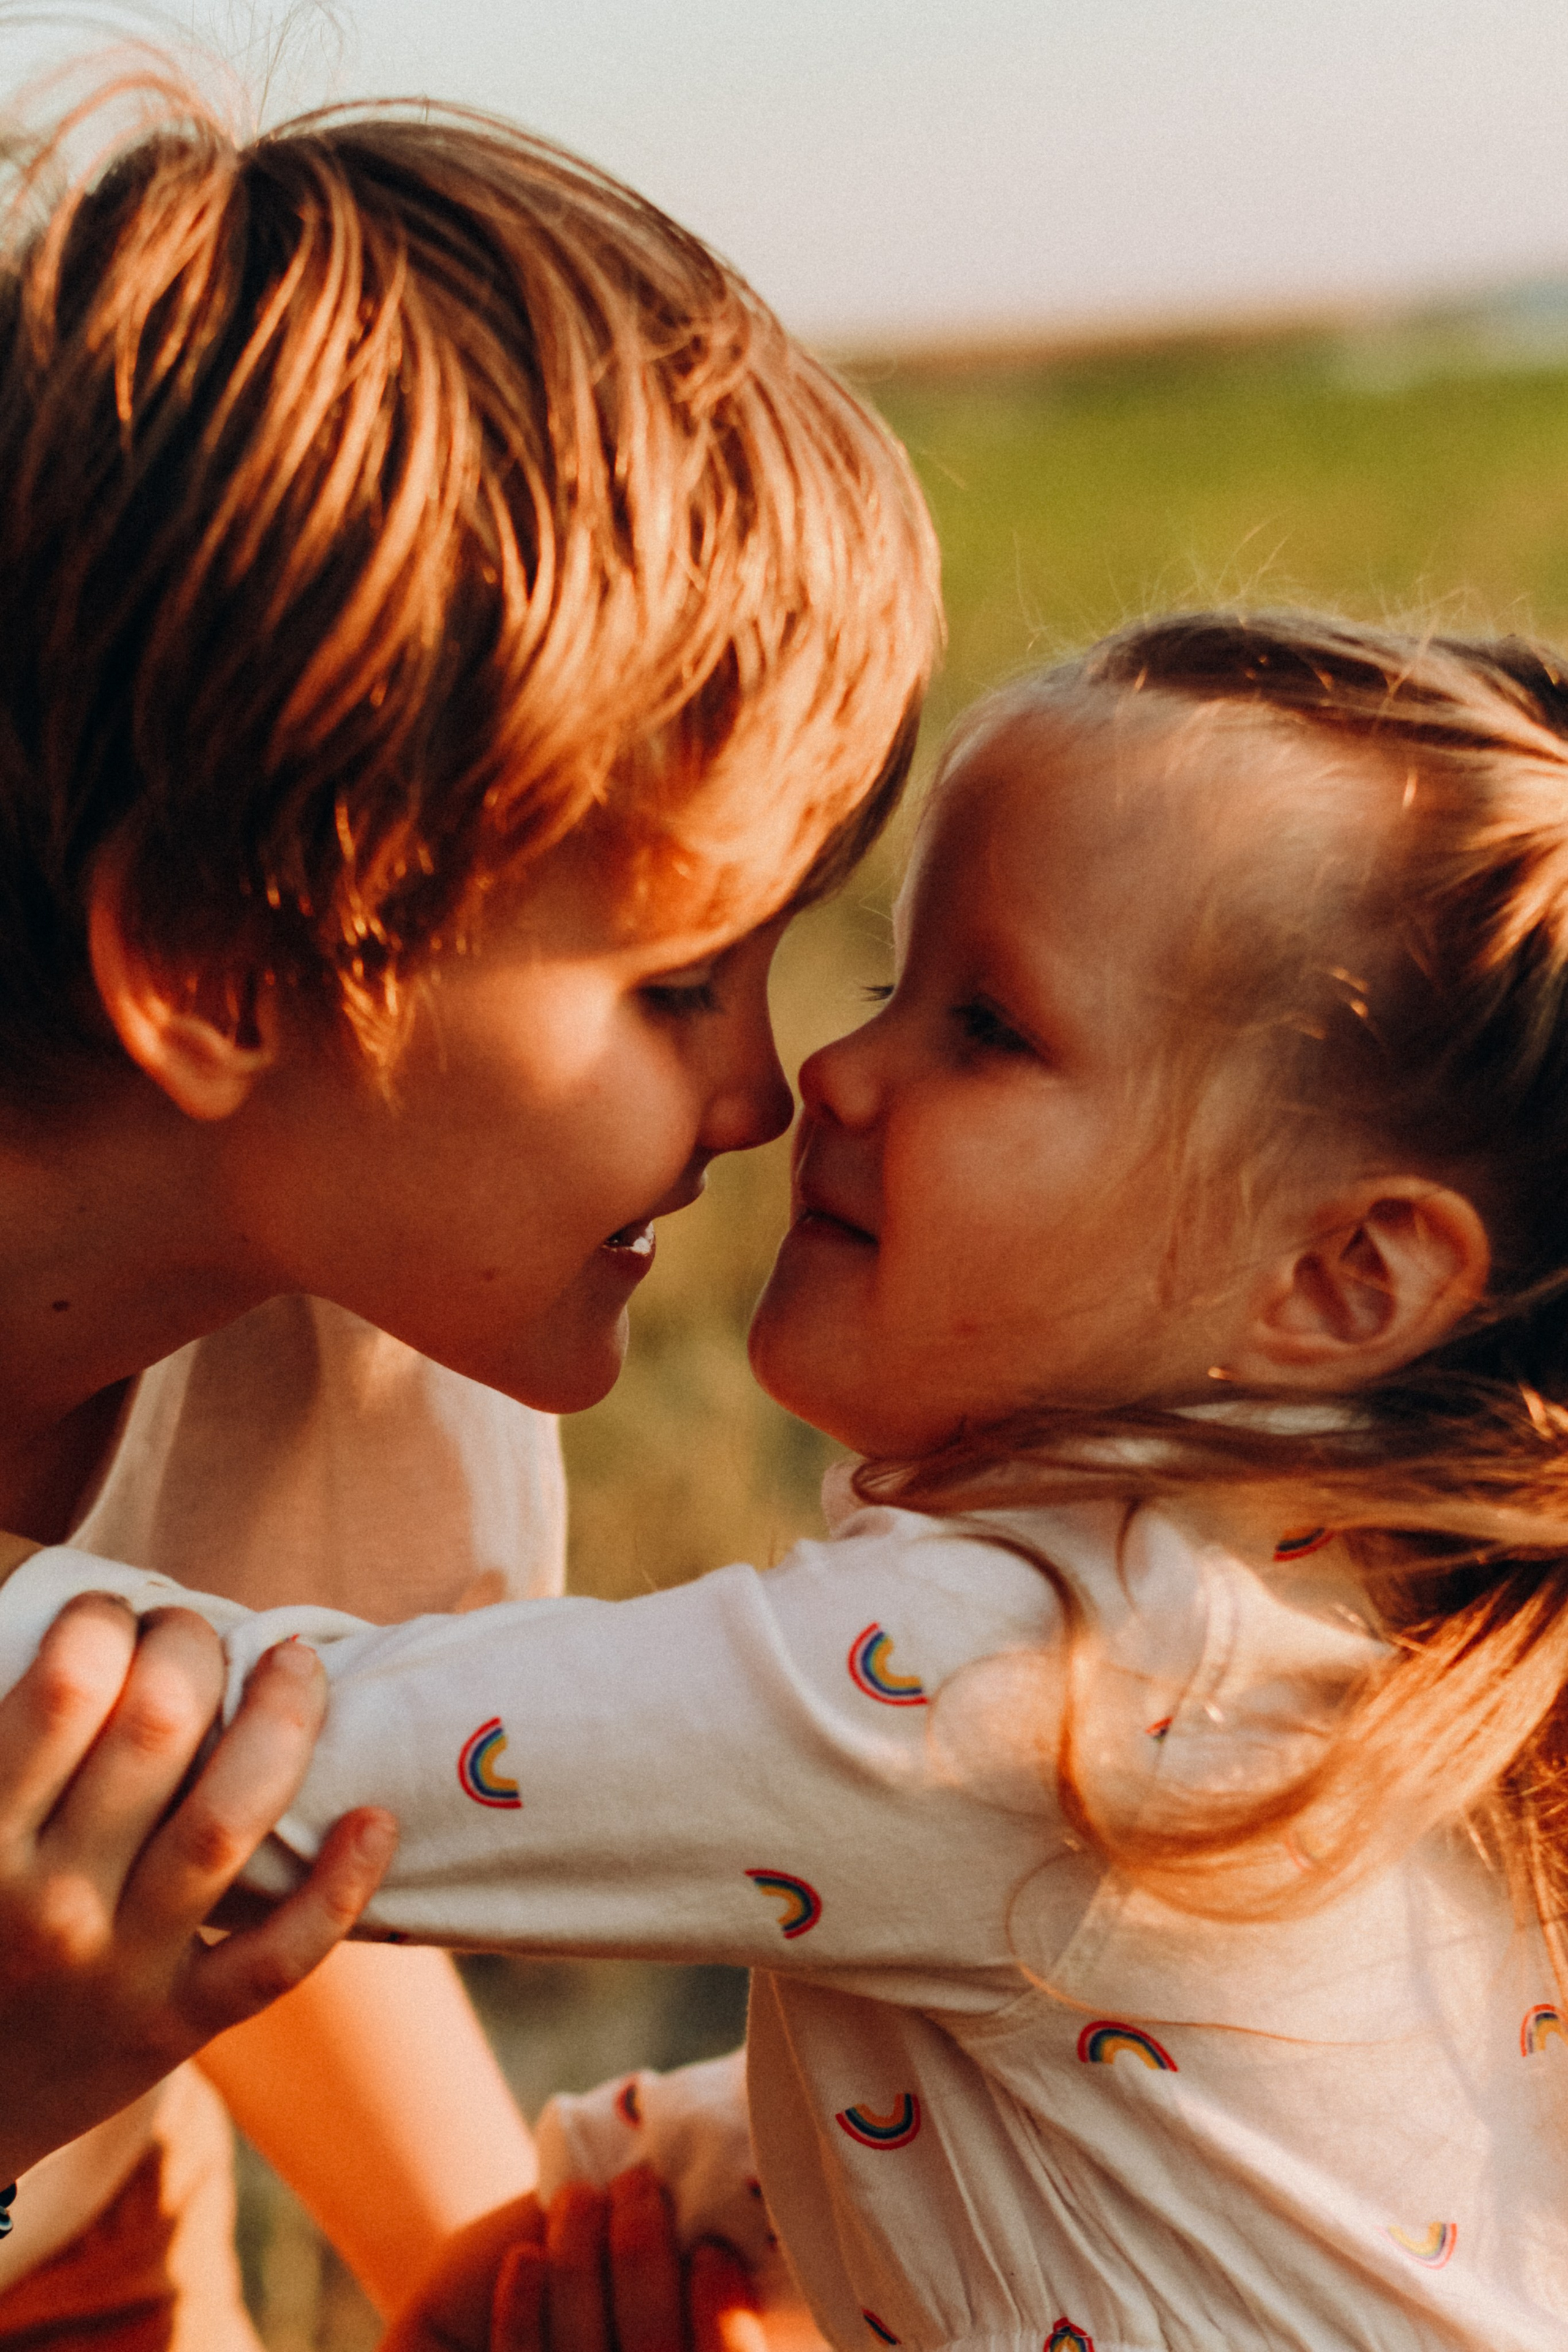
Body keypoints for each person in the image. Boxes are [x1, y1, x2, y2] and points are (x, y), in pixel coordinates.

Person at [31, 612, 1568, 2352]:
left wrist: (565, 2233)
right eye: (883, 990)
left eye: (985, 1026)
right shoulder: (1332, 1650)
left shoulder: (1011, 1681)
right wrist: (638, 2203)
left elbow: (266, 1749)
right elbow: (1079, 2064)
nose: (827, 1077)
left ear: (1343, 1280)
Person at [0, 69, 937, 2348]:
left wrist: (459, 2254)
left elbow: (242, 1800)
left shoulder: (343, 1347)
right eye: (674, 980)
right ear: (222, 969)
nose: (765, 1087)